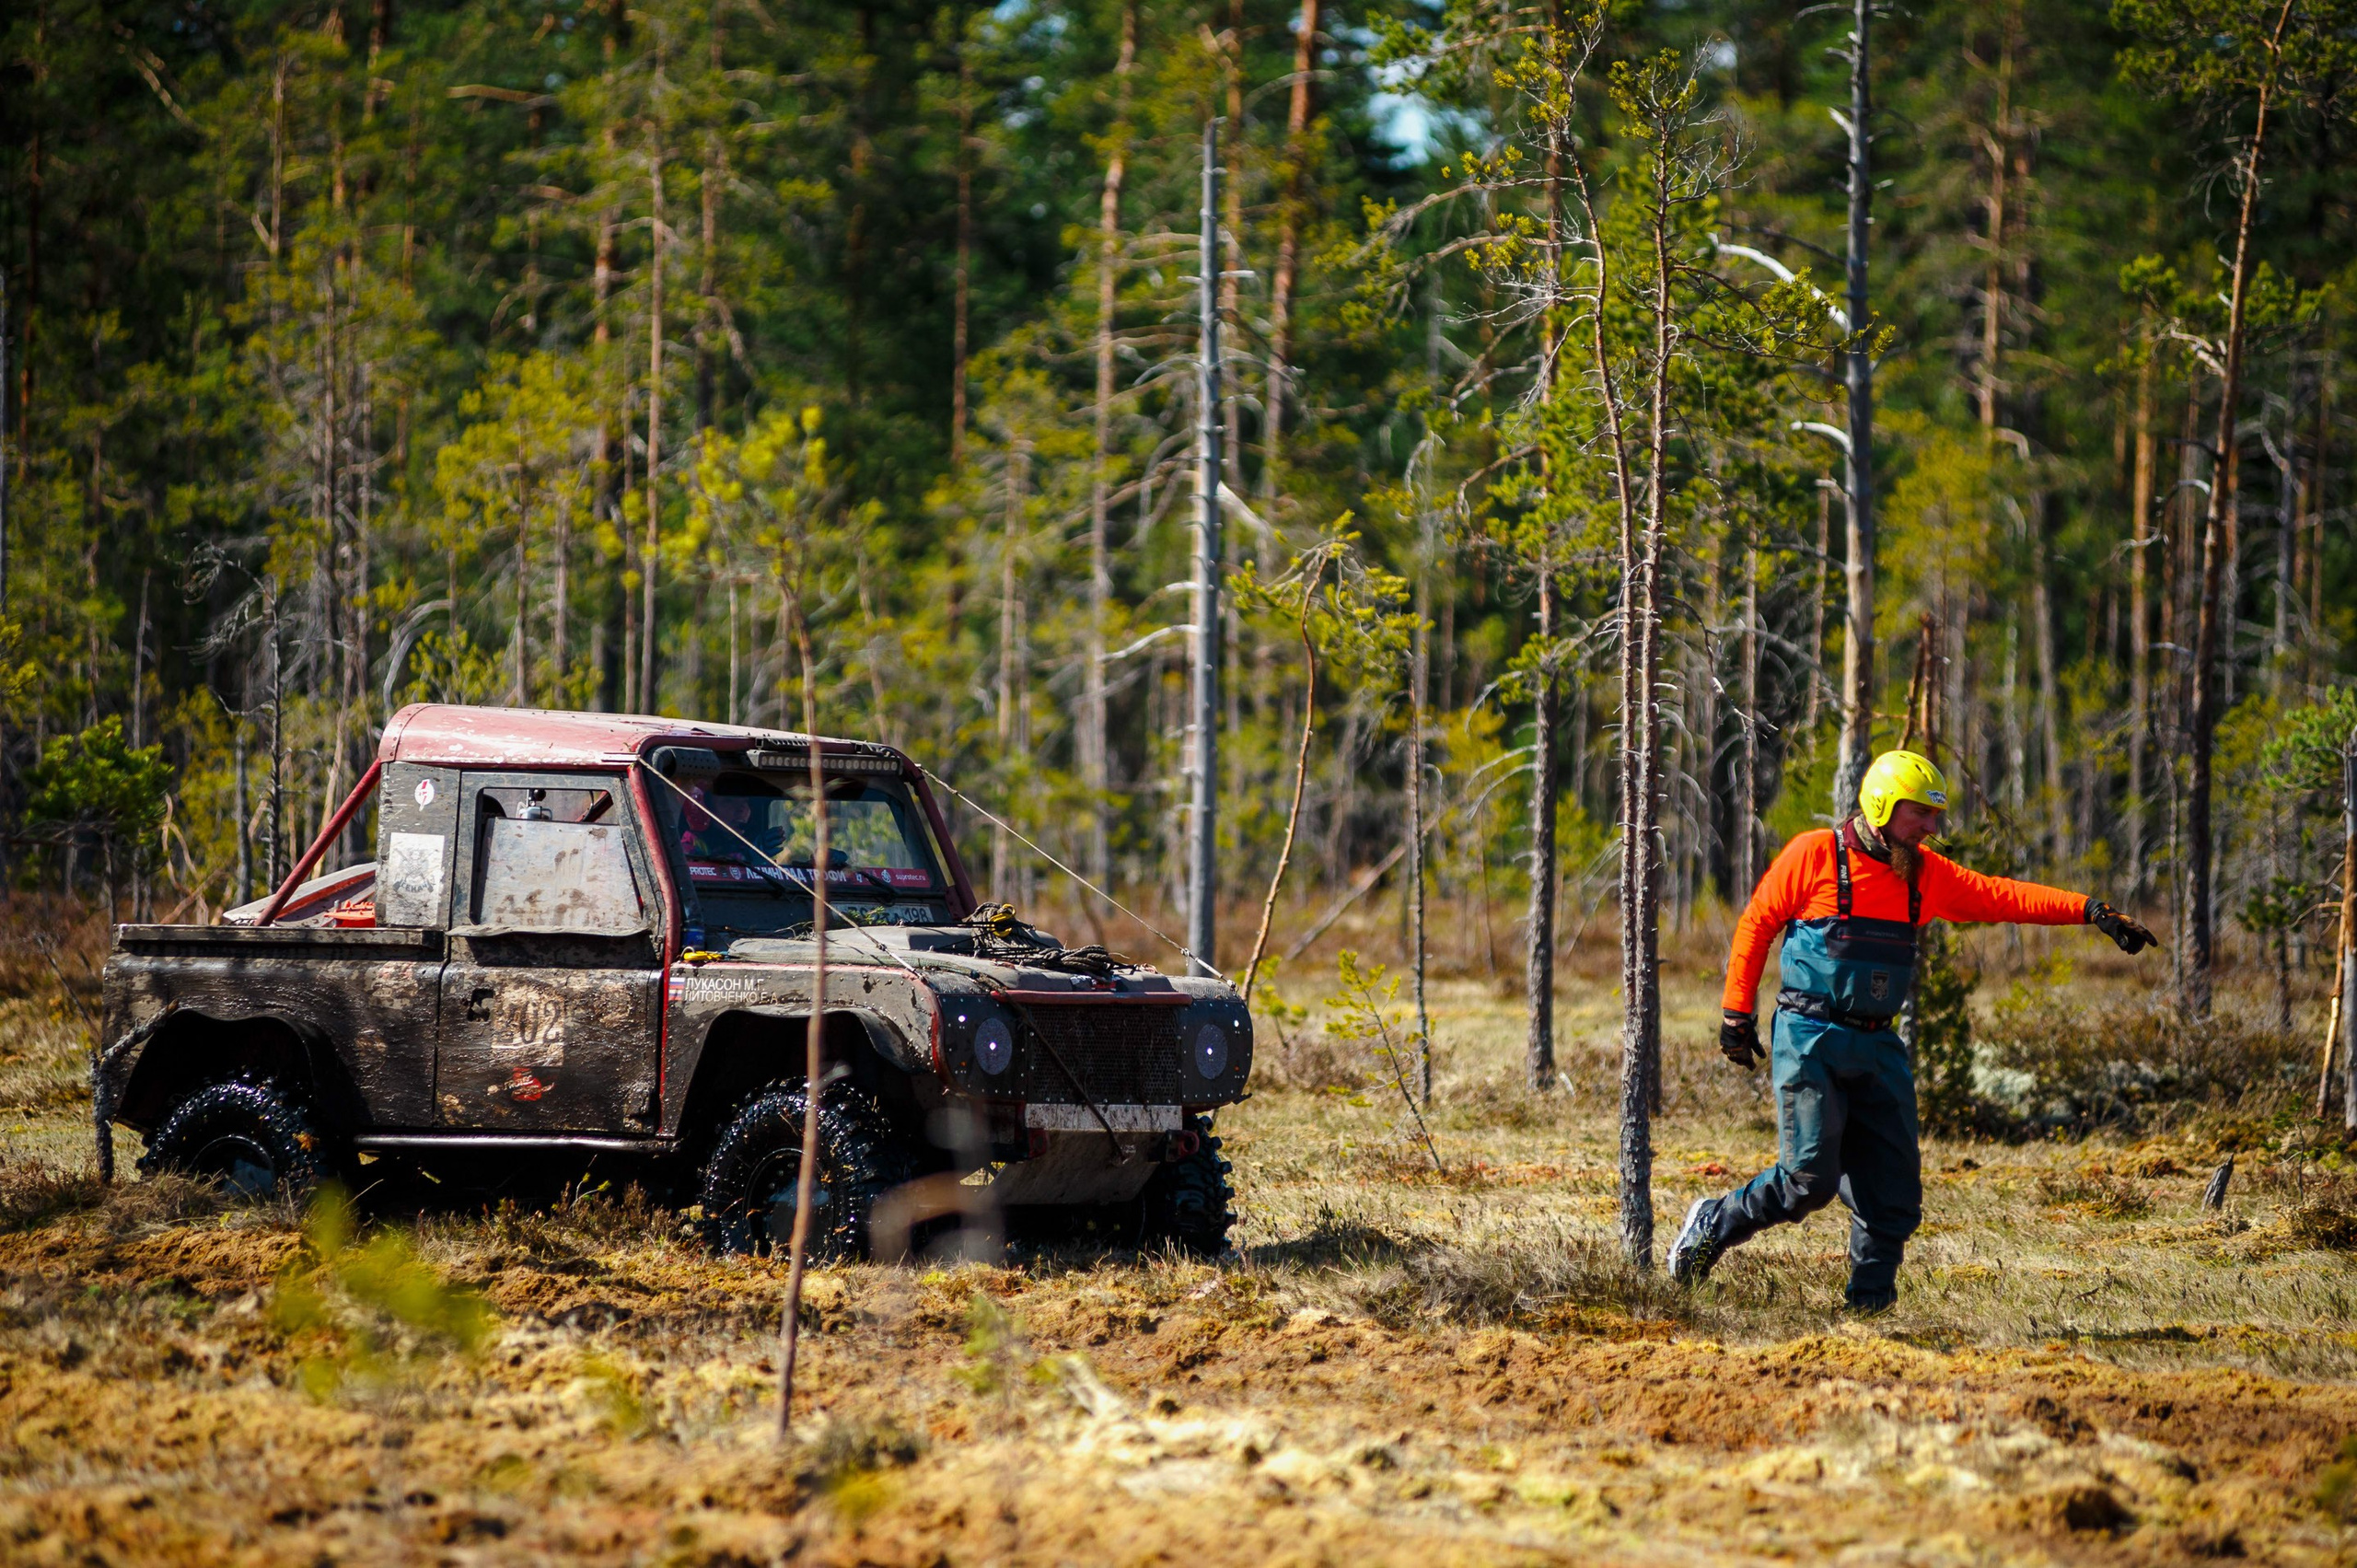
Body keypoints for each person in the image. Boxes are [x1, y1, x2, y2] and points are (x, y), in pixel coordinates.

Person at [1666, 749, 2156, 1312]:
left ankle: (1868, 1310)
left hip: (1878, 1045)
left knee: (1893, 1195)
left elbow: (2005, 896)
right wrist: (1736, 1015)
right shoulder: (1814, 855)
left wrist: (2092, 911)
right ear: (1880, 805)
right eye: (1919, 814)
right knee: (1808, 1181)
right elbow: (1757, 924)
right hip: (1810, 1038)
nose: (1931, 828)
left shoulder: (1924, 876)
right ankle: (1711, 1224)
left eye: (1934, 816)